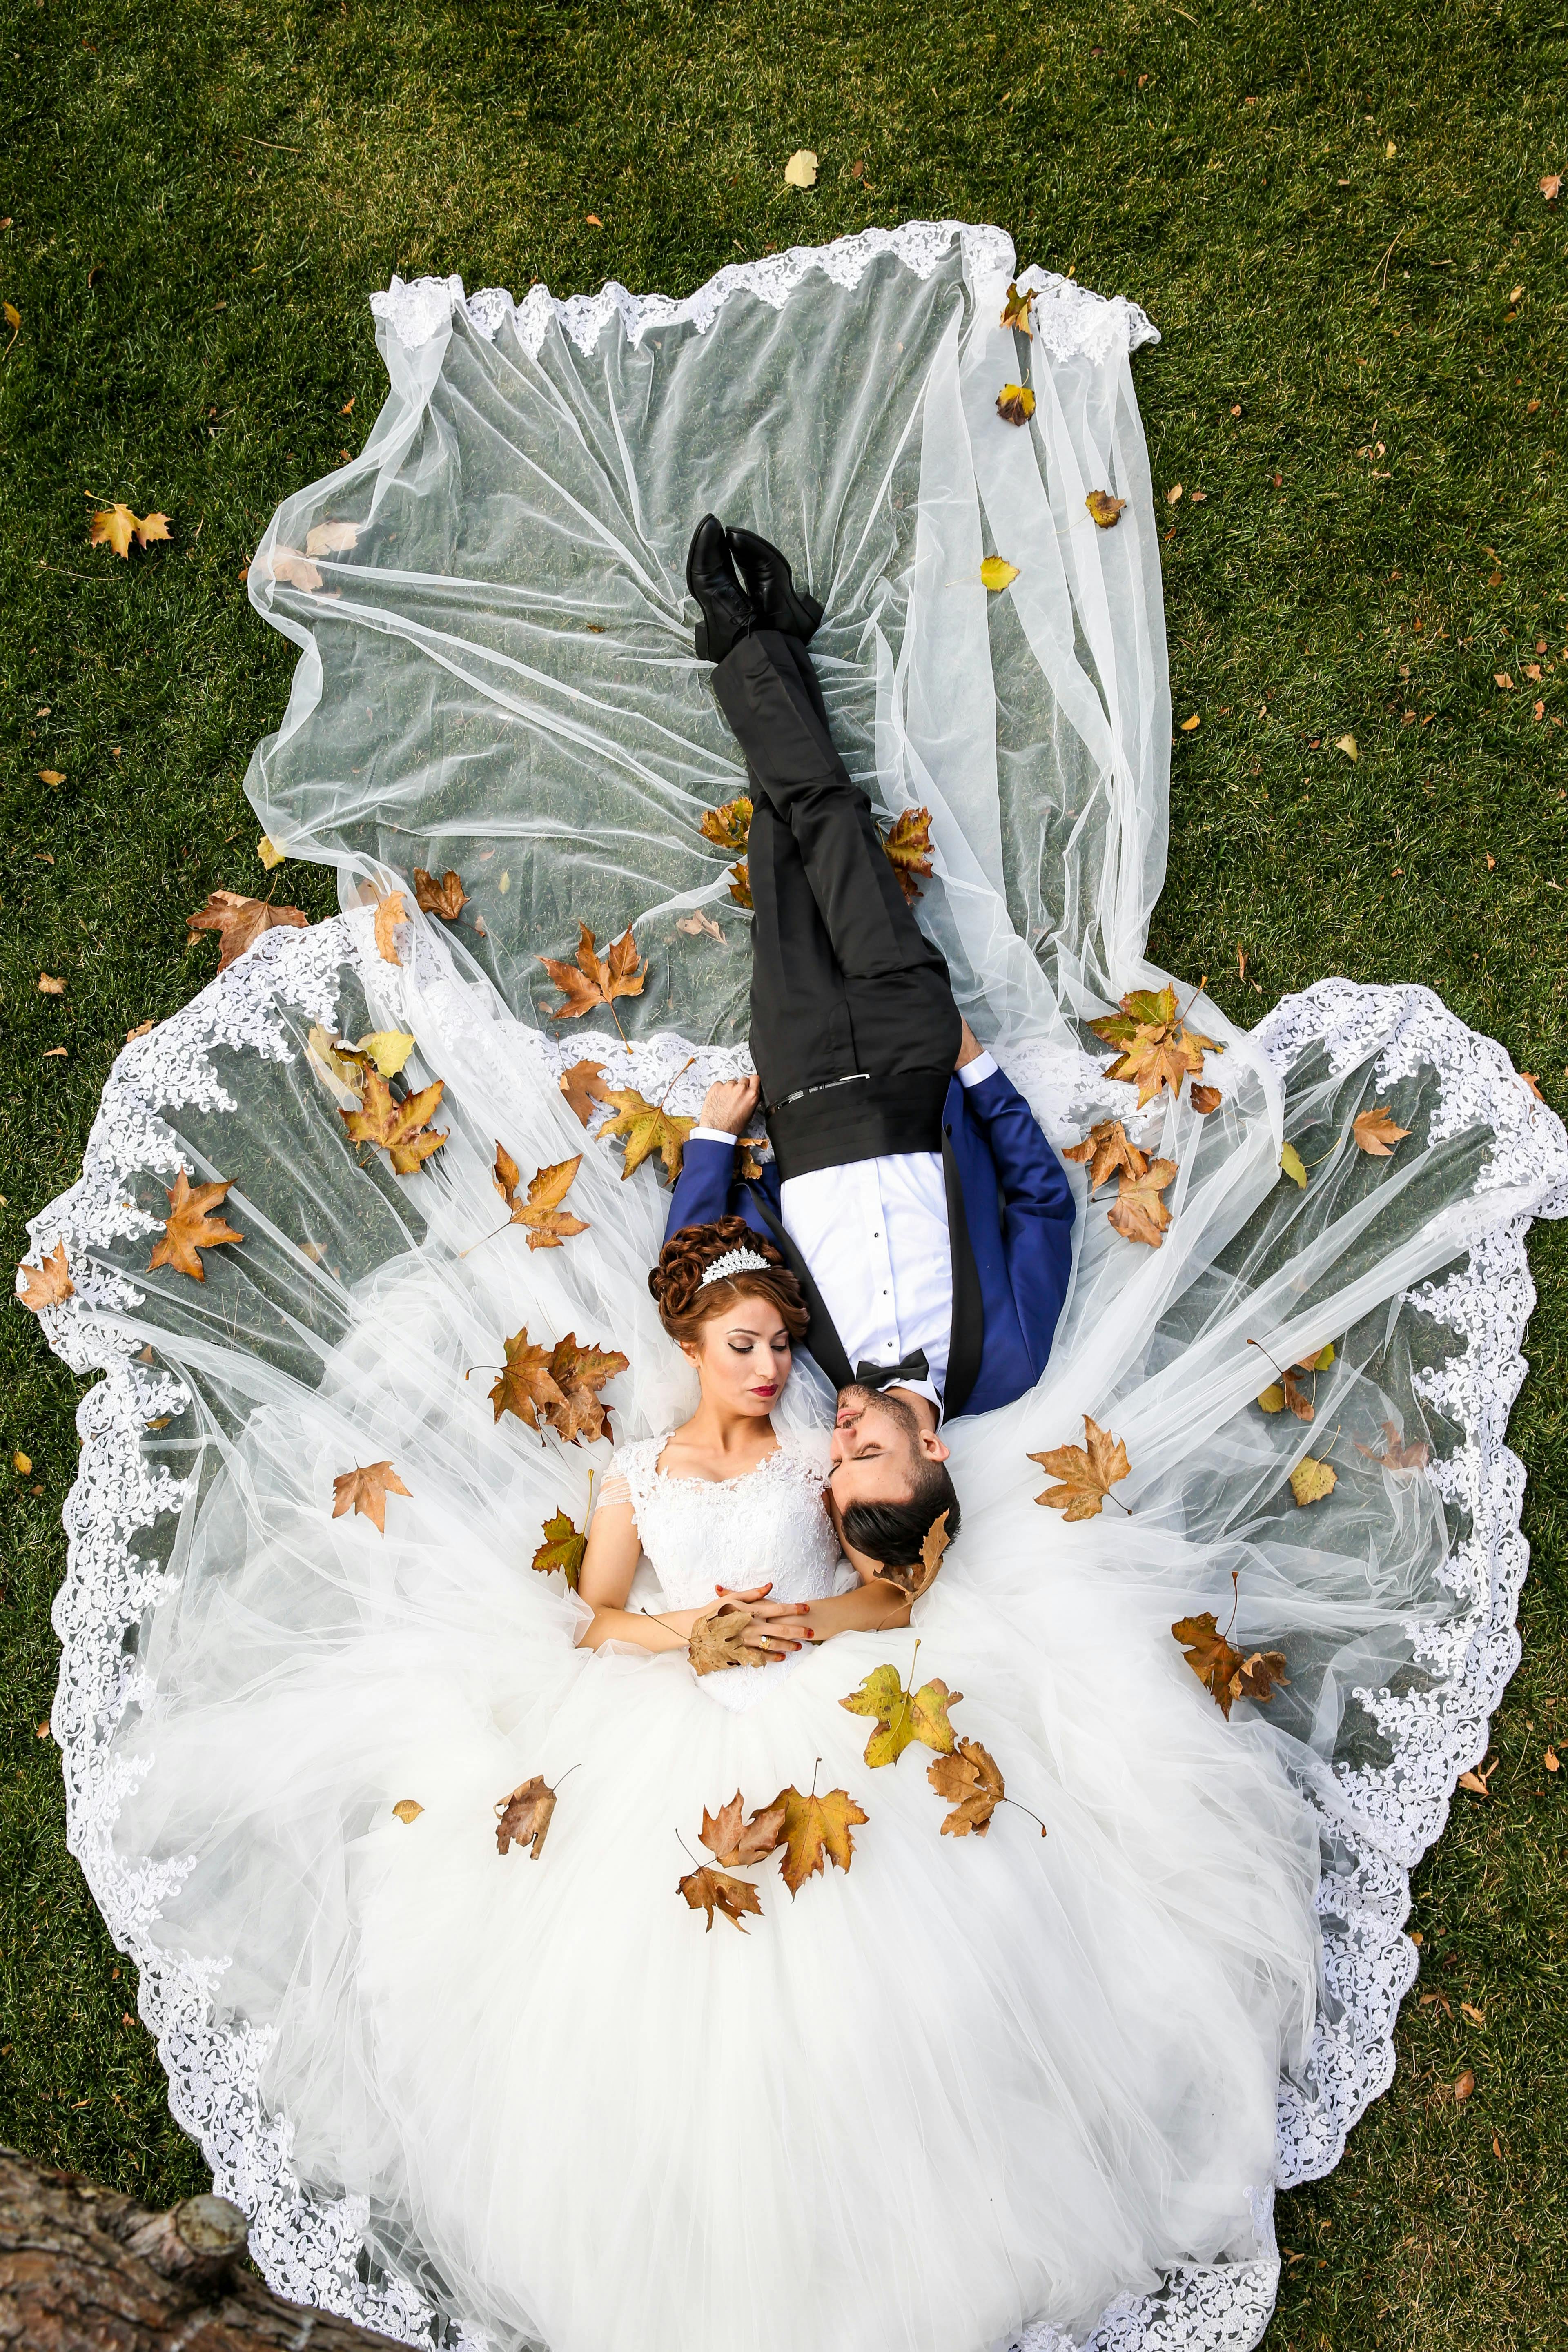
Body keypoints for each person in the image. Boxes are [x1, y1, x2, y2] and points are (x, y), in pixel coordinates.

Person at [667, 516, 1077, 1572]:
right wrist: (975, 1068)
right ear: (931, 1446)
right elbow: (1040, 1200)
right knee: (835, 831)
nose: (841, 1438)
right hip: (912, 1060)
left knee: (783, 845)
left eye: (837, 1461)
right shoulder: (1011, 1358)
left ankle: (770, 640)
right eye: (871, 1451)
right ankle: (741, 631)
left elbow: (699, 1281)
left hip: (798, 1090)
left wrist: (713, 1152)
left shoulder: (800, 1382)